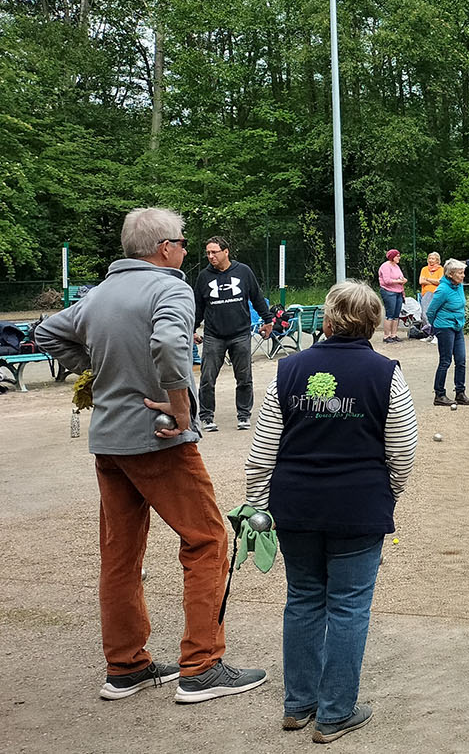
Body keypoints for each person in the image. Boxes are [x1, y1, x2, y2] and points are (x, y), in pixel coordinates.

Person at [34, 207, 267, 704]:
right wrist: (181, 406)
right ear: (164, 248)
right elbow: (167, 342)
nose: (187, 250)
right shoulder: (172, 287)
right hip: (158, 439)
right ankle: (202, 666)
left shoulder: (98, 294)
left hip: (110, 443)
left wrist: (97, 375)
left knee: (119, 554)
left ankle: (126, 667)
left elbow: (48, 332)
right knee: (207, 541)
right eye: (183, 242)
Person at [244, 280, 418, 742]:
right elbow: (402, 449)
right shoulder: (386, 373)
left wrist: (257, 504)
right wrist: (390, 493)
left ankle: (298, 705)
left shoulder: (288, 369)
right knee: (348, 606)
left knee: (302, 599)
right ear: (375, 323)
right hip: (358, 504)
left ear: (325, 319)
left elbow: (263, 449)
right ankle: (335, 712)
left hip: (295, 503)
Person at [193, 236, 271, 432]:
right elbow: (197, 307)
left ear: (226, 251)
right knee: (207, 378)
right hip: (213, 336)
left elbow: (257, 297)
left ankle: (244, 415)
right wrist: (191, 329)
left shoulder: (243, 271)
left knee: (244, 378)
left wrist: (268, 320)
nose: (210, 256)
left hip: (240, 334)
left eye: (214, 252)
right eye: (208, 253)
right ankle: (207, 417)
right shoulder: (204, 277)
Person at [425, 258, 469, 406]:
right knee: (445, 361)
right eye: (460, 273)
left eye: (463, 272)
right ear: (450, 274)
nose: (463, 275)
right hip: (445, 328)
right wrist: (436, 326)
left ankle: (460, 393)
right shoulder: (443, 289)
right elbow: (430, 311)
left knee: (461, 360)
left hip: (458, 326)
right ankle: (439, 394)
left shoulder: (459, 286)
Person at [377, 249, 407, 343]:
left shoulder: (396, 266)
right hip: (388, 291)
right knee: (390, 314)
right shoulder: (385, 266)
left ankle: (394, 335)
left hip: (399, 291)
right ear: (392, 257)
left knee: (396, 315)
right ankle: (386, 336)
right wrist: (399, 281)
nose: (399, 258)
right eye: (397, 256)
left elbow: (400, 277)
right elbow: (387, 281)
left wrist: (403, 280)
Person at [417, 252, 443, 320]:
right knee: (425, 311)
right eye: (430, 258)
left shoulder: (441, 270)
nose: (431, 260)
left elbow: (440, 282)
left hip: (437, 293)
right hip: (426, 294)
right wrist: (434, 281)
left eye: (433, 259)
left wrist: (428, 279)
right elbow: (421, 281)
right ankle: (427, 326)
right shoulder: (424, 269)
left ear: (437, 260)